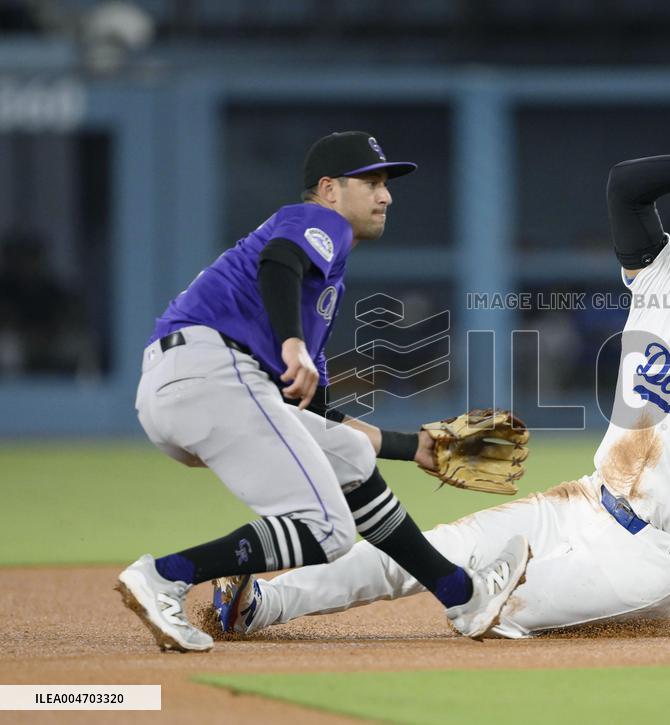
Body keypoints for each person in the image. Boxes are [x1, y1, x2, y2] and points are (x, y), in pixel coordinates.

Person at [212, 147, 670, 640]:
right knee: (425, 551)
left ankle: (500, 587)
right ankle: (265, 604)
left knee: (494, 607)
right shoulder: (664, 286)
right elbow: (625, 186)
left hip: (655, 560)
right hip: (584, 502)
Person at [116, 131, 529, 652]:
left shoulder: (322, 291)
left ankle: (461, 594)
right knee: (328, 531)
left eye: (387, 185)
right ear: (329, 189)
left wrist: (414, 447)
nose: (386, 196)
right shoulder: (316, 222)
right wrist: (292, 344)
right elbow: (280, 261)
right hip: (212, 372)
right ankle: (164, 575)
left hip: (187, 388)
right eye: (372, 183)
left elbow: (316, 410)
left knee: (350, 455)